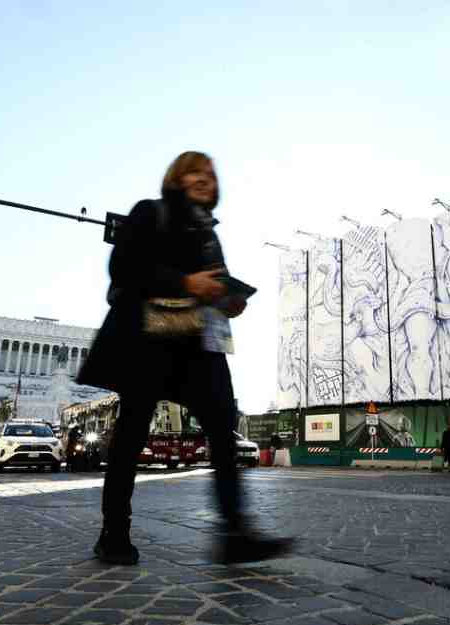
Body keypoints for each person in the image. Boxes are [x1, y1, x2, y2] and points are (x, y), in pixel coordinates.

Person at [77, 151, 292, 566]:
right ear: (176, 177)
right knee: (132, 436)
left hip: (198, 345)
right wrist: (185, 282)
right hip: (149, 341)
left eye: (210, 174)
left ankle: (235, 533)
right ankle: (114, 532)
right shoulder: (149, 213)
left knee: (223, 430)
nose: (203, 179)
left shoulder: (210, 233)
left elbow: (212, 285)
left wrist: (228, 299)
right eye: (194, 171)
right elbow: (123, 269)